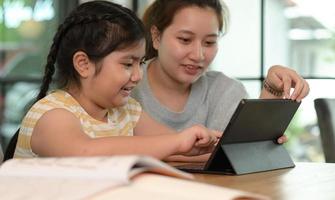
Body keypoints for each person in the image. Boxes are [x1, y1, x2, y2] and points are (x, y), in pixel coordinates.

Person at [13, 1, 220, 160]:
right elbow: (84, 152)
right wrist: (178, 142)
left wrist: (210, 147)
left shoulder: (127, 111)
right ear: (83, 64)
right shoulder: (52, 115)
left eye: (141, 63)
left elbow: (173, 147)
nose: (138, 75)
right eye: (128, 64)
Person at [131, 0, 309, 161]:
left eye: (209, 43)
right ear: (156, 37)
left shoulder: (226, 90)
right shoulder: (125, 86)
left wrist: (272, 90)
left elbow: (240, 152)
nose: (198, 55)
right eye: (185, 40)